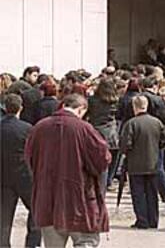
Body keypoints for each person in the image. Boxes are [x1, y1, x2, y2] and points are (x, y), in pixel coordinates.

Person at [24, 94, 111, 247]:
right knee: (85, 242)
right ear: (81, 109)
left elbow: (29, 158)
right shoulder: (84, 128)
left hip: (48, 200)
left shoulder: (39, 127)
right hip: (80, 200)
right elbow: (102, 158)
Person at [1, 94, 41, 248]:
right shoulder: (27, 128)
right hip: (25, 174)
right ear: (20, 108)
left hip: (3, 175)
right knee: (36, 210)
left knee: (4, 217)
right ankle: (32, 243)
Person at [120, 95, 165, 229]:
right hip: (153, 163)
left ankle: (142, 220)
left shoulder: (131, 123)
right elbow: (163, 142)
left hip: (136, 164)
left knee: (138, 193)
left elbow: (125, 145)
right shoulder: (157, 122)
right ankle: (153, 220)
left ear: (135, 107)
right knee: (152, 193)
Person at [87, 78, 120, 190]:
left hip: (96, 130)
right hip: (111, 131)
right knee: (113, 157)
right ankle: (109, 180)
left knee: (98, 159)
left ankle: (100, 181)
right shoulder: (115, 101)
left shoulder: (92, 100)